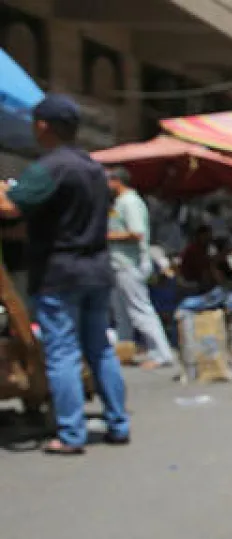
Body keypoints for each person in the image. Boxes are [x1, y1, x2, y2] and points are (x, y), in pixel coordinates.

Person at [0, 94, 128, 454]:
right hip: (96, 269)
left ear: (43, 126)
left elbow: (11, 208)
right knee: (99, 349)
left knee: (62, 353)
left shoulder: (50, 167)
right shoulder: (94, 169)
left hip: (60, 272)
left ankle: (71, 434)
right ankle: (118, 423)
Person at [105, 167, 174, 370]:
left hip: (130, 264)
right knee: (121, 313)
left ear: (117, 181)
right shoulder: (119, 202)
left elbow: (136, 233)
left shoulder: (130, 202)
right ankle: (124, 351)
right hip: (118, 263)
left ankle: (161, 353)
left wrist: (107, 236)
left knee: (139, 310)